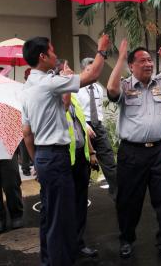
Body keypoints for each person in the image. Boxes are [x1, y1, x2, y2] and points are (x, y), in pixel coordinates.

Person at [21, 34, 109, 266]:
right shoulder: (49, 83)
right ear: (42, 56)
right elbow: (92, 75)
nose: (55, 55)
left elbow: (27, 133)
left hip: (43, 155)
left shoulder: (28, 87)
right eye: (51, 51)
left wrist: (37, 160)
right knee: (61, 219)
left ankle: (49, 261)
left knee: (50, 216)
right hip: (56, 157)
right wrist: (101, 50)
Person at [107, 40, 161, 263]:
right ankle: (127, 240)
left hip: (159, 152)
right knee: (128, 201)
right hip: (132, 153)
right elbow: (111, 89)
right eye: (142, 61)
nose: (148, 64)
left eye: (149, 60)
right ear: (131, 66)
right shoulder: (125, 86)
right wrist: (119, 58)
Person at [63, 92, 99, 258]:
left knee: (80, 203)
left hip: (80, 158)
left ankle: (78, 243)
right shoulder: (52, 101)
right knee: (64, 206)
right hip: (63, 161)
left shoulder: (75, 100)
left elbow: (82, 127)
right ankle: (65, 246)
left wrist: (91, 153)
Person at [77, 57, 118, 200]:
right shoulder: (76, 88)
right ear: (83, 71)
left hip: (98, 127)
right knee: (83, 166)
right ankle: (80, 200)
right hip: (83, 126)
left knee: (109, 162)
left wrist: (99, 124)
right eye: (89, 70)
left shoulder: (99, 88)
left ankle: (118, 195)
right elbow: (75, 111)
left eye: (95, 70)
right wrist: (85, 125)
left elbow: (99, 110)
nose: (93, 73)